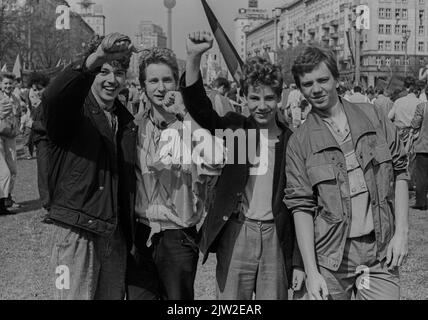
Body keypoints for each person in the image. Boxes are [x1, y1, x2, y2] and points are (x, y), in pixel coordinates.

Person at [181, 31, 305, 300]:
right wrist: (194, 57)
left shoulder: (292, 141)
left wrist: (298, 261)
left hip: (275, 234)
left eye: (269, 98)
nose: (262, 106)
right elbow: (199, 107)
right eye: (255, 98)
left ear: (280, 99)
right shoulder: (236, 129)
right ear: (244, 98)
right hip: (238, 229)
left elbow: (302, 204)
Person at [285, 46, 409, 300]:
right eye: (307, 84)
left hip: (379, 254)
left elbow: (400, 172)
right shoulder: (299, 141)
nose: (316, 89)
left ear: (336, 79)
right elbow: (301, 207)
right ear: (300, 88)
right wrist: (311, 270)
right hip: (330, 259)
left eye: (322, 80)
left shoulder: (374, 117)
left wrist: (401, 233)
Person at [43, 33, 137, 300]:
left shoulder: (125, 120)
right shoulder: (72, 111)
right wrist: (94, 57)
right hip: (75, 233)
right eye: (102, 71)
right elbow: (53, 96)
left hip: (112, 233)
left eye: (118, 72)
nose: (111, 80)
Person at [126, 47, 223, 300]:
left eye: (166, 79)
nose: (160, 87)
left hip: (178, 237)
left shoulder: (189, 125)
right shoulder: (134, 128)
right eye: (153, 80)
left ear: (176, 82)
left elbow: (217, 158)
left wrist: (183, 113)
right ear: (143, 86)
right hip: (141, 232)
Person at [28, 72, 51, 210]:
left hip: (46, 143)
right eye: (34, 89)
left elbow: (50, 126)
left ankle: (49, 206)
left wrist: (32, 124)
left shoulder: (49, 103)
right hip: (40, 143)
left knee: (45, 175)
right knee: (44, 175)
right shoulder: (40, 104)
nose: (37, 92)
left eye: (40, 89)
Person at [0, 73, 21, 214]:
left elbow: (18, 115)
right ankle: (2, 201)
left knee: (13, 170)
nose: (8, 86)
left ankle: (7, 197)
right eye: (5, 83)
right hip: (0, 135)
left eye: (10, 83)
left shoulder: (15, 98)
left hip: (11, 136)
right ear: (1, 84)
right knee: (4, 172)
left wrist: (17, 126)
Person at [409, 100, 428, 210]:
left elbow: (415, 123)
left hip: (424, 145)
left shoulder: (422, 106)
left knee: (421, 176)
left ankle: (421, 202)